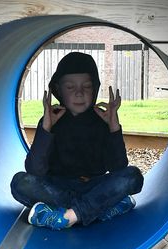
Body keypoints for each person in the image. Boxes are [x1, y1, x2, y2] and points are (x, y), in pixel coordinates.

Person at [11, 52, 143, 230]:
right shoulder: (52, 120)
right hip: (58, 188)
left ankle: (68, 216)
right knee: (20, 182)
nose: (79, 93)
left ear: (94, 89)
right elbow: (35, 170)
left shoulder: (101, 120)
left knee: (133, 176)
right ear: (58, 90)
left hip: (94, 185)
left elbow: (118, 168)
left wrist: (113, 126)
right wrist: (46, 128)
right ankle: (98, 209)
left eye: (86, 87)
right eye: (70, 87)